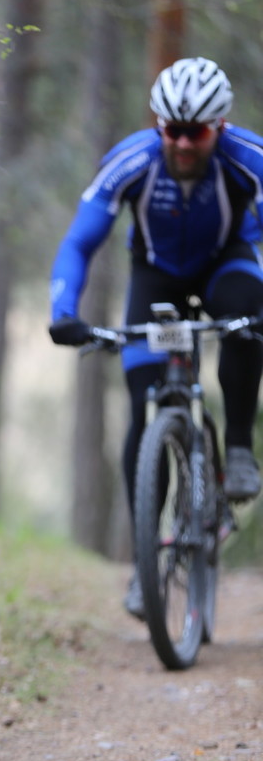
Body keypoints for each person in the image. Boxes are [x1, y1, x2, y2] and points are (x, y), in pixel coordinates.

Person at [48, 56, 263, 619]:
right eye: (172, 130)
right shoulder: (132, 160)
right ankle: (149, 559)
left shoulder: (248, 159)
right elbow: (79, 241)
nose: (184, 144)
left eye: (197, 132)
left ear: (219, 127)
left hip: (226, 265)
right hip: (157, 276)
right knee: (145, 410)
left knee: (246, 313)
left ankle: (237, 445)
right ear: (157, 124)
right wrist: (63, 310)